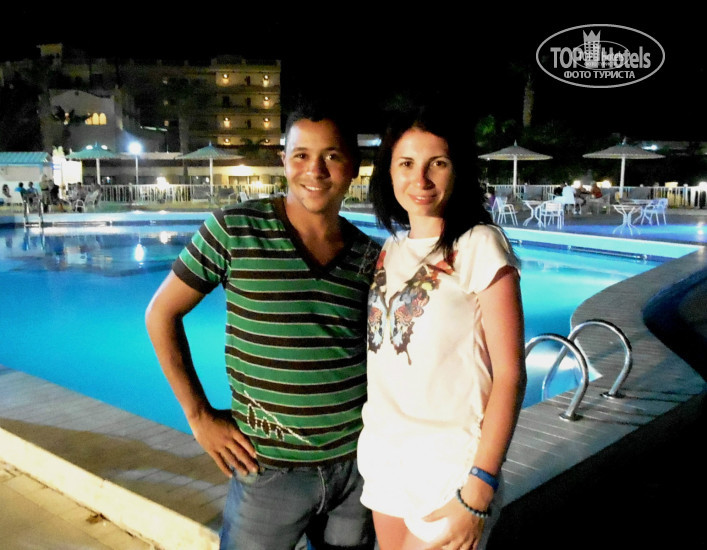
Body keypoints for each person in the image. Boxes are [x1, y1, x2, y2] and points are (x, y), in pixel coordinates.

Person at [145, 100, 380, 550]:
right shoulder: (234, 231)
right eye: (301, 155)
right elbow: (161, 314)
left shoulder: (369, 256)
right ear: (284, 161)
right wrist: (198, 416)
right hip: (268, 470)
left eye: (331, 156)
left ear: (353, 166)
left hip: (356, 469)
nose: (315, 170)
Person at [358, 103, 527, 550]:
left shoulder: (480, 245)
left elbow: (511, 374)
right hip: (385, 460)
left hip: (449, 471)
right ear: (388, 172)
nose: (421, 179)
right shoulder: (390, 250)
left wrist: (480, 488)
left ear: (458, 170)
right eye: (406, 164)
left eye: (438, 163)